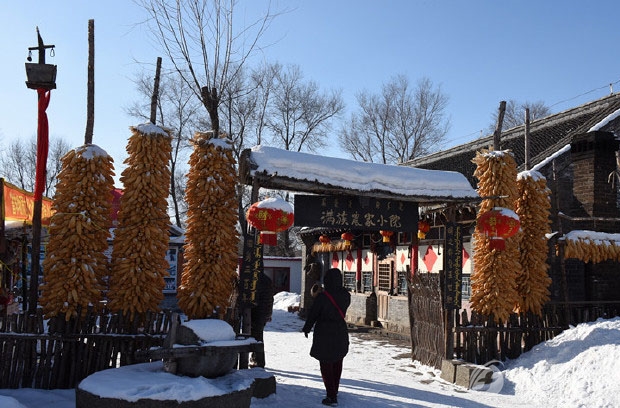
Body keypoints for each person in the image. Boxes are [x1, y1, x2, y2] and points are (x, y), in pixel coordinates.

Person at [302, 268, 351, 407]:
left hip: (324, 332)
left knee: (325, 364)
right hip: (340, 331)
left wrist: (306, 328)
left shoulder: (323, 297)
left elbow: (313, 314)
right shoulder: (345, 295)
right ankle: (334, 389)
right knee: (337, 361)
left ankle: (331, 396)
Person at [250, 272, 274, 368]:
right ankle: (257, 359)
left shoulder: (253, 279)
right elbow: (270, 299)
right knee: (259, 336)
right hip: (263, 313)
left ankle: (258, 361)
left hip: (256, 312)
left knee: (257, 336)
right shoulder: (267, 280)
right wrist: (269, 313)